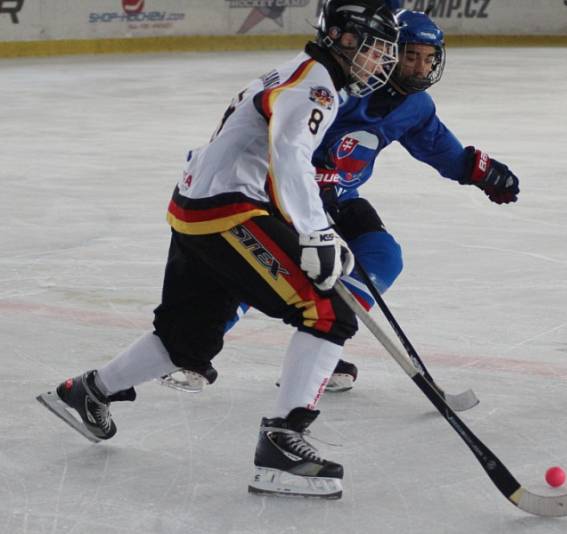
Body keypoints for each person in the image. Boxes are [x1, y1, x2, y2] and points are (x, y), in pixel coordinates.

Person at [36, 0, 400, 500]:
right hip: (228, 212)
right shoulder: (315, 83)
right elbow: (291, 153)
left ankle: (87, 391)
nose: (380, 62)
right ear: (343, 37)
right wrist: (316, 232)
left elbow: (273, 155)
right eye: (376, 49)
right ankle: (282, 443)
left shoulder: (302, 72)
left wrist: (310, 225)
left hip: (197, 206)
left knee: (188, 338)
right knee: (327, 313)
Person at [198, 8, 520, 394]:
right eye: (410, 56)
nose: (420, 67)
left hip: (340, 198)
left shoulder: (415, 106)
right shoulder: (341, 88)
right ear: (386, 52)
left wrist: (481, 171)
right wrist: (316, 178)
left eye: (428, 58)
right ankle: (195, 347)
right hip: (284, 198)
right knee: (259, 273)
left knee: (382, 255)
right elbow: (284, 143)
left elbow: (440, 149)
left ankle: (319, 348)